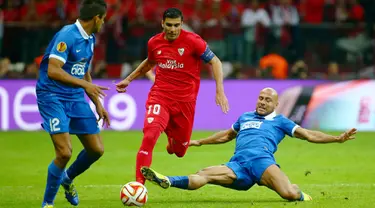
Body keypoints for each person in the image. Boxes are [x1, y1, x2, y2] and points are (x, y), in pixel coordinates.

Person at [140, 87, 357, 201]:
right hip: (238, 165)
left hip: (262, 162)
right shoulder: (245, 117)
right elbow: (225, 136)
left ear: (276, 104)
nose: (262, 102)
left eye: (267, 100)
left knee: (289, 195)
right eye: (260, 98)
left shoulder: (281, 121)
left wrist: (337, 139)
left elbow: (309, 135)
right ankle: (168, 180)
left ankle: (300, 193)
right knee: (204, 173)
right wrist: (198, 142)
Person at [115, 8, 229, 184]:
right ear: (162, 23)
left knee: (179, 151)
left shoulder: (193, 41)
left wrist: (219, 90)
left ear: (182, 24)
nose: (172, 29)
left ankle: (172, 139)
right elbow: (150, 62)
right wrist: (128, 79)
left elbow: (215, 61)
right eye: (169, 25)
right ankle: (138, 185)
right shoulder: (154, 43)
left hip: (185, 103)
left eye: (176, 25)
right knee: (150, 136)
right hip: (160, 96)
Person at [36, 0, 110, 207]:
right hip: (52, 96)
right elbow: (53, 70)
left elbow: (83, 70)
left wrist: (97, 103)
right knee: (64, 152)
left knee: (96, 150)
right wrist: (85, 86)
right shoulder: (67, 35)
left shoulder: (90, 39)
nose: (103, 24)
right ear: (96, 18)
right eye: (103, 20)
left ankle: (67, 179)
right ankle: (48, 204)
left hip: (75, 97)